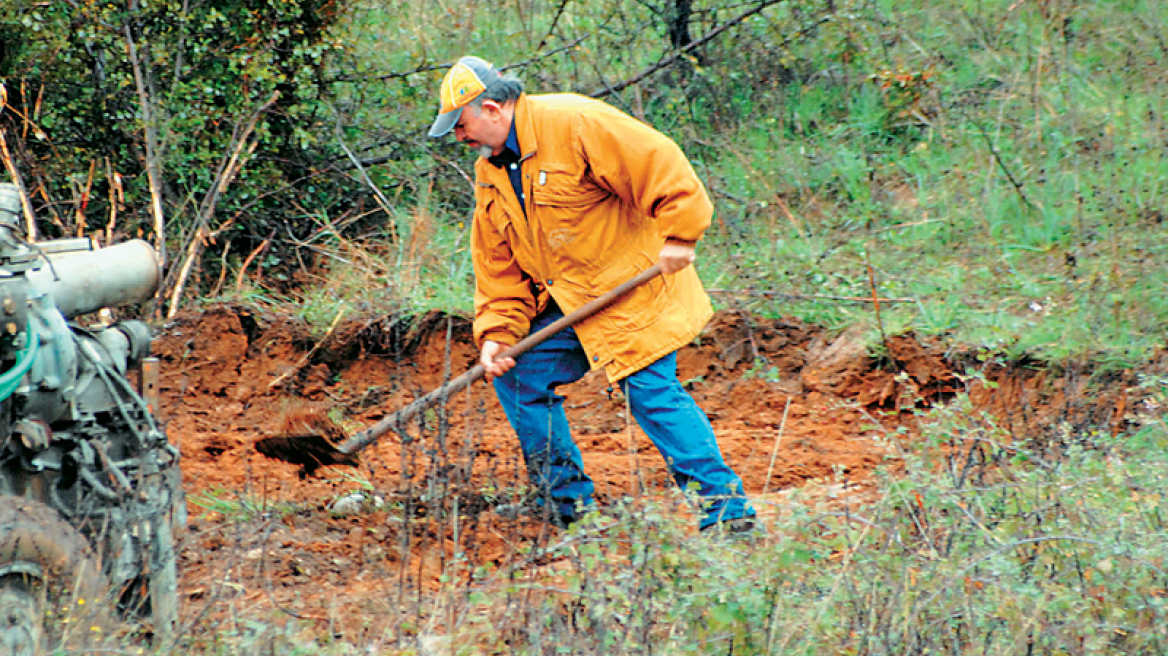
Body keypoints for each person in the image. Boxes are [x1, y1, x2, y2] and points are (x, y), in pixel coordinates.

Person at [428, 55, 757, 535]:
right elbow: (498, 264)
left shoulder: (575, 122)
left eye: (462, 124)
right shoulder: (491, 172)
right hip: (571, 302)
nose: (460, 137)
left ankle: (728, 516)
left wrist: (681, 235)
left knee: (651, 393)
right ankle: (572, 512)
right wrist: (498, 333)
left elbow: (658, 161)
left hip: (634, 288)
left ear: (494, 109)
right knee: (520, 377)